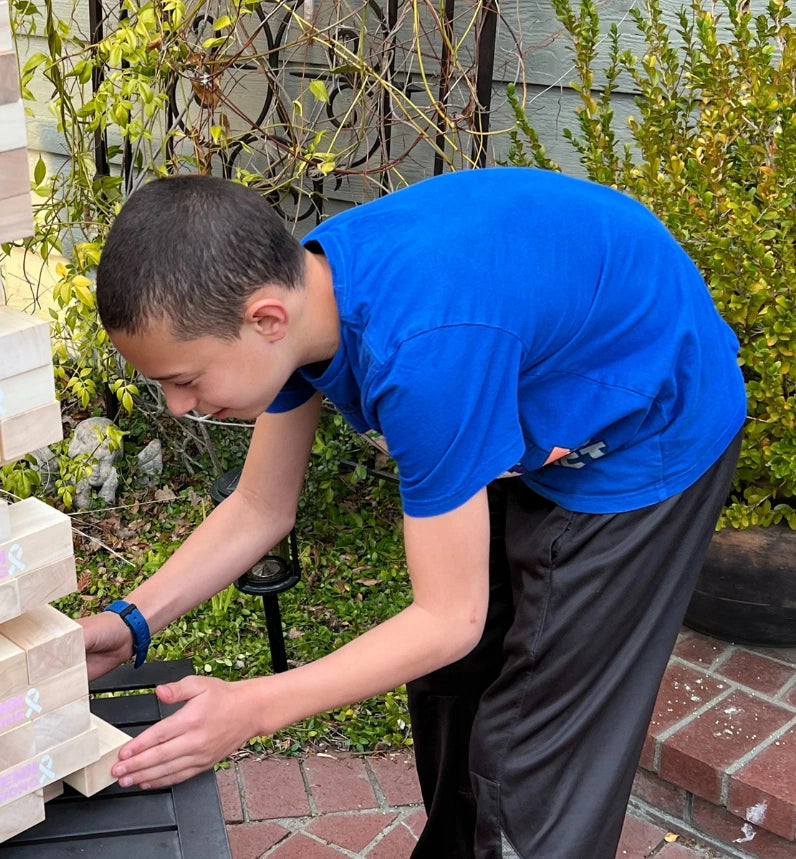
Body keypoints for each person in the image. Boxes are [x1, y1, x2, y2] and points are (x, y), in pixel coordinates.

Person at [75, 166, 746, 859]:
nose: (178, 406)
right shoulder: (305, 296)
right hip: (529, 379)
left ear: (265, 318)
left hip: (651, 426)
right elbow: (258, 506)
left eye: (184, 380)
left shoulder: (424, 356)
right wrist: (133, 621)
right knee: (451, 689)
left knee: (531, 758)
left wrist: (255, 706)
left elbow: (449, 617)